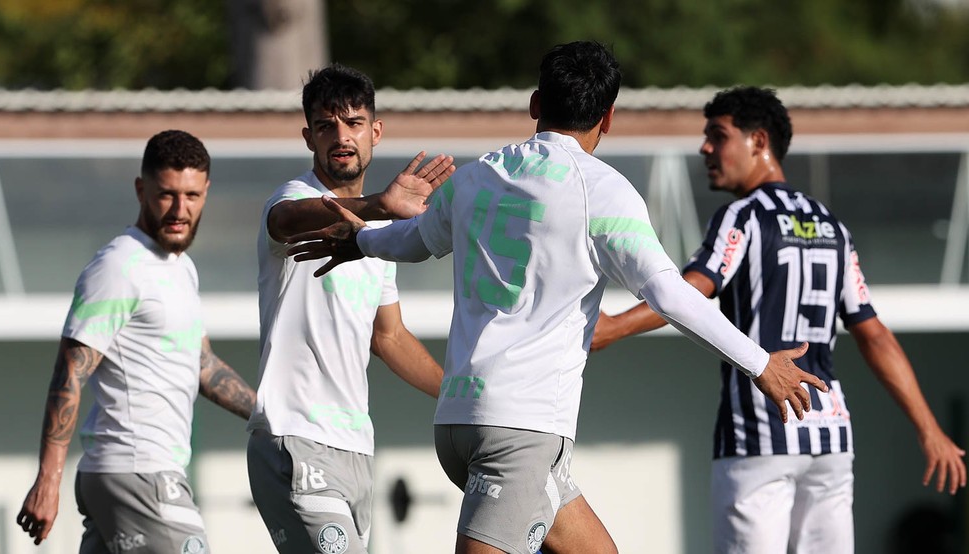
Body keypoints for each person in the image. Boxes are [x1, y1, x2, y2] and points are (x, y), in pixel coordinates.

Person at [286, 42, 829, 554]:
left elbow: (413, 240)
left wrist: (359, 240)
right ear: (608, 117)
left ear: (536, 104)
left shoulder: (477, 176)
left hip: (459, 422)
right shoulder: (602, 189)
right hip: (519, 433)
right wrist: (760, 364)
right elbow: (669, 294)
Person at [593, 86, 968, 553]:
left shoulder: (743, 216)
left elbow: (687, 292)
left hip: (759, 434)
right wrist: (928, 426)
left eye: (717, 135)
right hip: (829, 437)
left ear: (759, 140)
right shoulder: (832, 225)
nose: (705, 148)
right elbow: (874, 334)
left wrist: (612, 327)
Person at [16, 129, 257, 553]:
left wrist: (271, 416)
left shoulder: (180, 268)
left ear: (207, 192)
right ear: (141, 189)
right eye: (166, 195)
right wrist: (47, 481)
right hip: (137, 469)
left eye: (192, 196)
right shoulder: (118, 266)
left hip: (138, 473)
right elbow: (69, 373)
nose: (180, 210)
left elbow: (203, 365)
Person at [245, 64, 449, 554]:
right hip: (294, 437)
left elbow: (390, 338)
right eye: (326, 126)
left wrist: (460, 393)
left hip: (355, 447)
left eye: (354, 123)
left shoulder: (376, 240)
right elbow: (285, 221)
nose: (341, 136)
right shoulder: (294, 199)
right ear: (309, 138)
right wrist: (381, 203)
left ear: (375, 131)